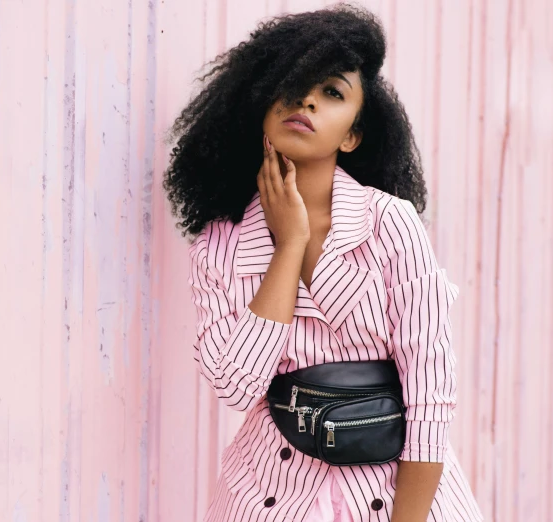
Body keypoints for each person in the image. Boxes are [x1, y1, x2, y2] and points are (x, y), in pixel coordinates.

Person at [162, 4, 483, 521]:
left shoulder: (390, 224)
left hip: (401, 499)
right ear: (260, 103)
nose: (306, 98)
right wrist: (288, 246)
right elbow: (236, 386)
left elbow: (430, 392)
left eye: (332, 92)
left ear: (353, 134)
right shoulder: (220, 244)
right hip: (267, 494)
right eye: (292, 82)